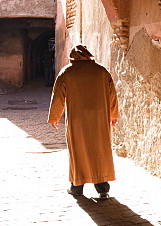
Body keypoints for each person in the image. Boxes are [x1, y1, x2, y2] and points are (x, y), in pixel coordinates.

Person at [48, 44, 119, 199]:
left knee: (78, 150)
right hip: (100, 119)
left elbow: (58, 96)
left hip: (77, 119)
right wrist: (113, 115)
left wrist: (54, 117)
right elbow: (112, 94)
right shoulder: (101, 71)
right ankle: (103, 189)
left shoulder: (67, 72)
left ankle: (77, 187)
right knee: (100, 150)